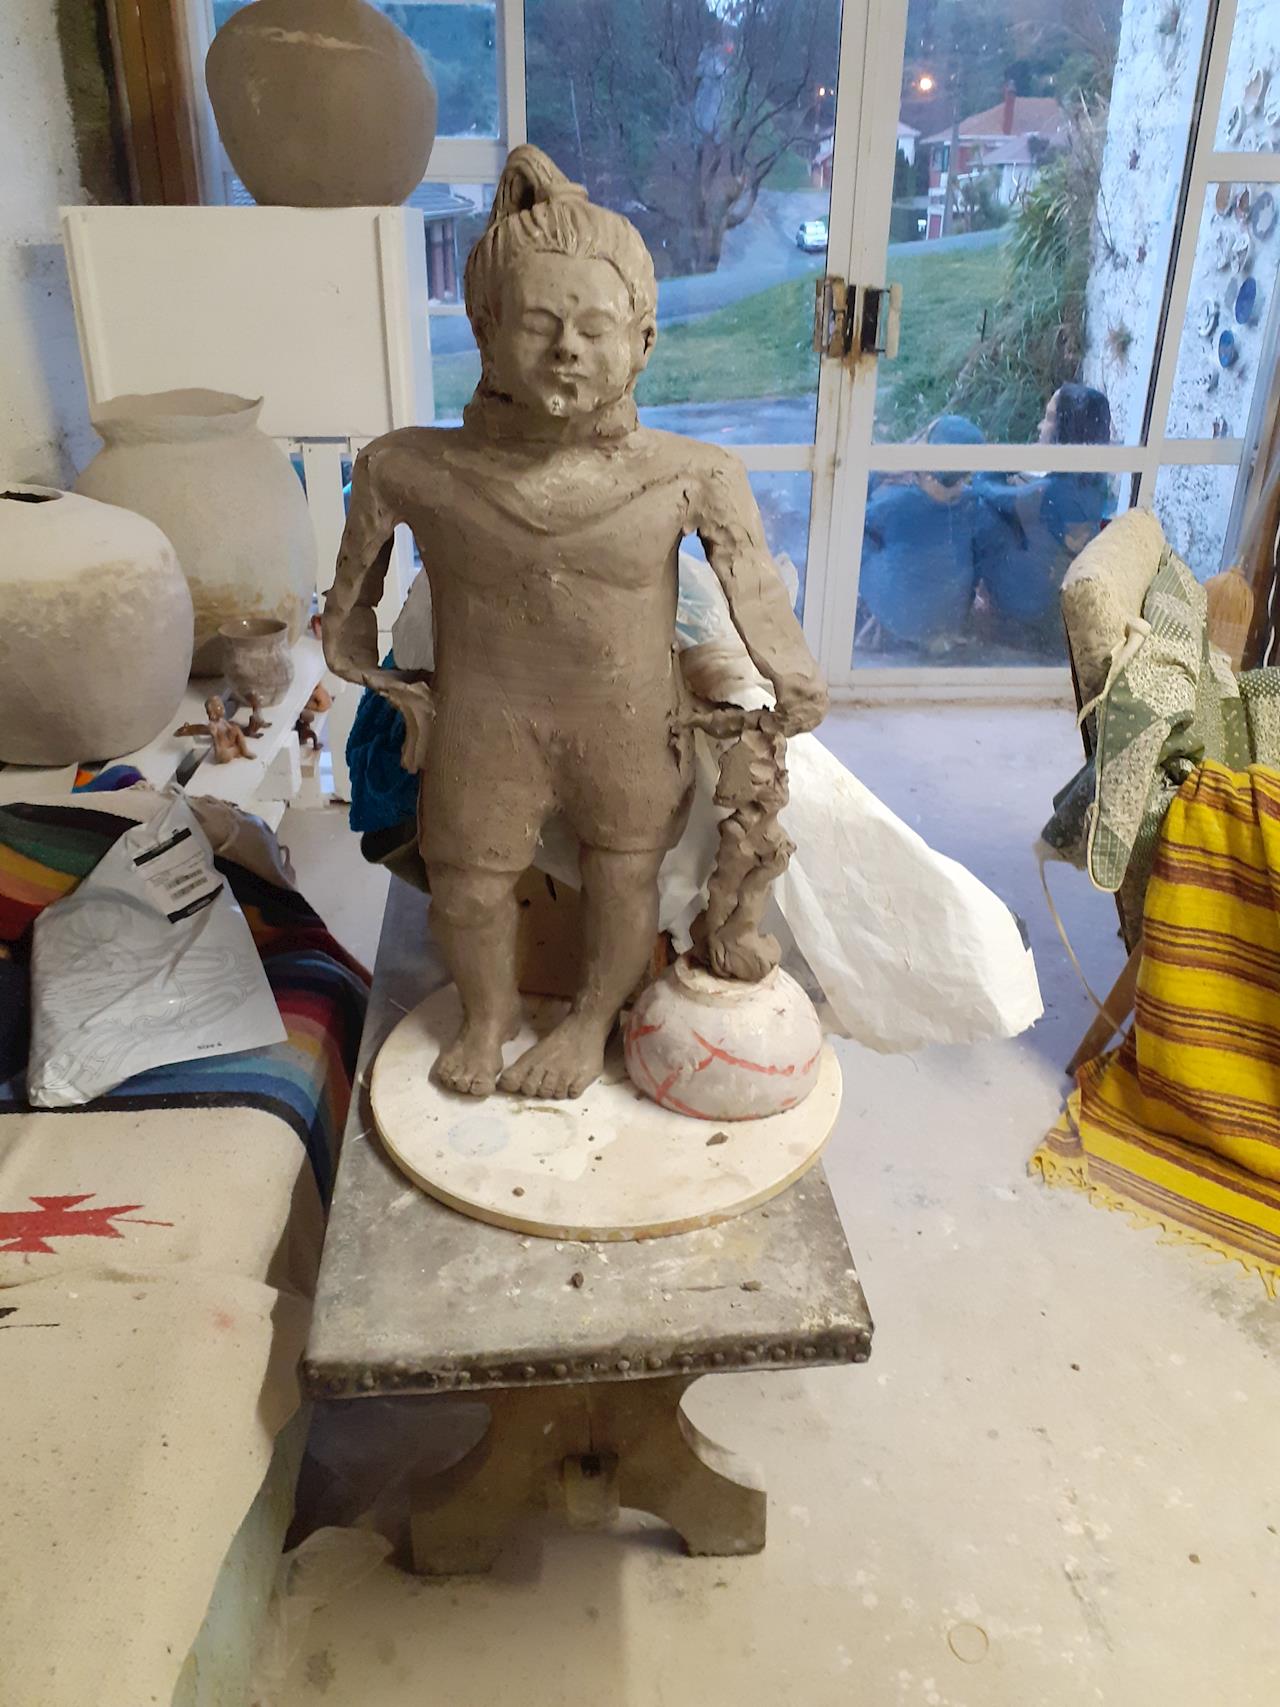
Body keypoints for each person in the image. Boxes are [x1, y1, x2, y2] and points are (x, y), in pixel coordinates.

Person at [323, 146, 826, 1101]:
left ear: (643, 340)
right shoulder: (408, 467)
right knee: (467, 883)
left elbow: (755, 590)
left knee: (624, 876)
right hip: (485, 718)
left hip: (627, 719)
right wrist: (390, 688)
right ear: (485, 327)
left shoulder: (692, 473)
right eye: (538, 323)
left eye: (595, 328)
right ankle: (488, 1017)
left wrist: (790, 677)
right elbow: (345, 611)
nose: (566, 349)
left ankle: (592, 1021)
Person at [974, 384, 1115, 645]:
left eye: (1049, 418)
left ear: (1067, 428)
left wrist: (1004, 461)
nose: (1040, 426)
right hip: (1056, 588)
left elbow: (986, 488)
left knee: (982, 510)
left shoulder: (1049, 491)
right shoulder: (1095, 481)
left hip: (1029, 603)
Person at [857, 414, 986, 654]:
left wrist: (875, 474)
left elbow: (855, 521)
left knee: (861, 544)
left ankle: (873, 616)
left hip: (901, 616)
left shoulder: (898, 504)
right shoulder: (972, 502)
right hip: (950, 615)